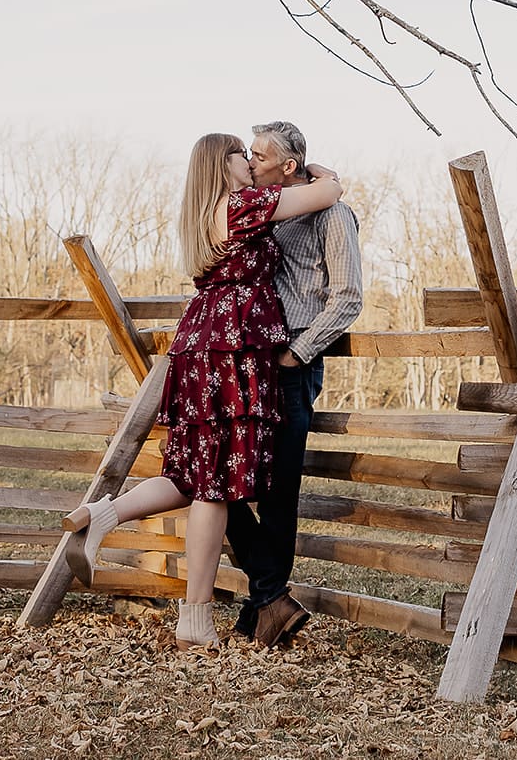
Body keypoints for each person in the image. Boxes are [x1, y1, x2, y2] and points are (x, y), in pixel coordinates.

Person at [61, 132, 342, 650]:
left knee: (192, 472)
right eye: (243, 155)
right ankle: (196, 619)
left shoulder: (203, 213)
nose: (251, 164)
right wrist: (316, 170)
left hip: (201, 343)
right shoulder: (241, 205)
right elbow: (329, 192)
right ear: (224, 164)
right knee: (215, 485)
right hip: (230, 348)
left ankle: (102, 514)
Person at [225, 120, 363, 648]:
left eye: (260, 155)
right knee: (224, 478)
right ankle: (268, 600)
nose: (251, 161)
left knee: (279, 492)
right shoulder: (264, 212)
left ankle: (265, 603)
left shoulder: (331, 215)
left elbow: (348, 297)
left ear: (288, 165)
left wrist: (297, 355)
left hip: (291, 361)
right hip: (250, 356)